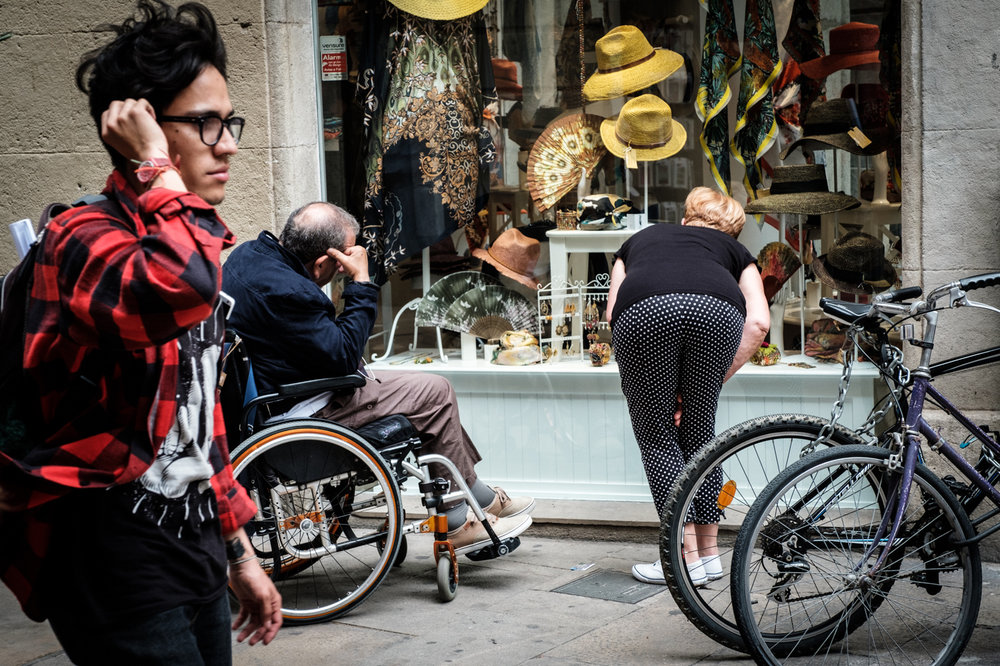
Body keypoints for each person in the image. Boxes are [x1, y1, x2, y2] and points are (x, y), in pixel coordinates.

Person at [0, 1, 282, 662]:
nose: (229, 143)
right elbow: (184, 284)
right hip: (108, 551)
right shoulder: (81, 239)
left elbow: (198, 417)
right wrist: (156, 168)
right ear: (143, 128)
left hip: (192, 547)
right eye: (205, 123)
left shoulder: (178, 236)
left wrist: (237, 549)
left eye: (229, 120)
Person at [221, 201, 535, 554]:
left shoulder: (249, 256)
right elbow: (343, 354)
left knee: (427, 396)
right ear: (323, 262)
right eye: (343, 262)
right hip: (305, 407)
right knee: (436, 392)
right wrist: (361, 281)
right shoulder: (294, 293)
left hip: (282, 392)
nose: (347, 267)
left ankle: (478, 498)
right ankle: (460, 519)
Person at [606, 186, 769, 586]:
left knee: (658, 436)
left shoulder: (639, 240)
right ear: (732, 233)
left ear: (685, 219)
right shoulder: (736, 254)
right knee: (700, 436)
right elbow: (759, 322)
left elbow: (612, 310)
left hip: (647, 310)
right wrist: (714, 377)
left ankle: (683, 560)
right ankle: (710, 556)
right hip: (717, 313)